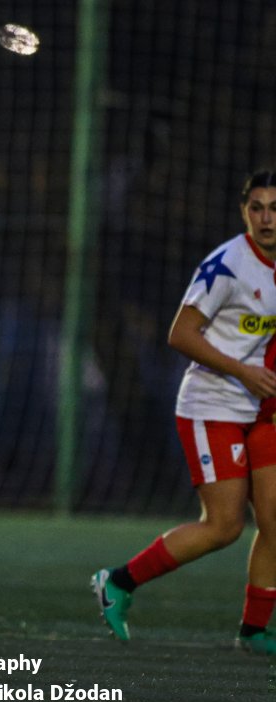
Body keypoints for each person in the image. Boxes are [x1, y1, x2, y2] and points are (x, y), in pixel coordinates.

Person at [92, 170, 276, 655]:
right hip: (212, 405)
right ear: (244, 213)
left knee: (275, 521)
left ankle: (254, 631)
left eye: (274, 208)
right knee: (224, 526)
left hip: (261, 409)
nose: (266, 218)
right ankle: (118, 582)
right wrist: (242, 371)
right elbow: (180, 334)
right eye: (256, 208)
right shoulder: (227, 265)